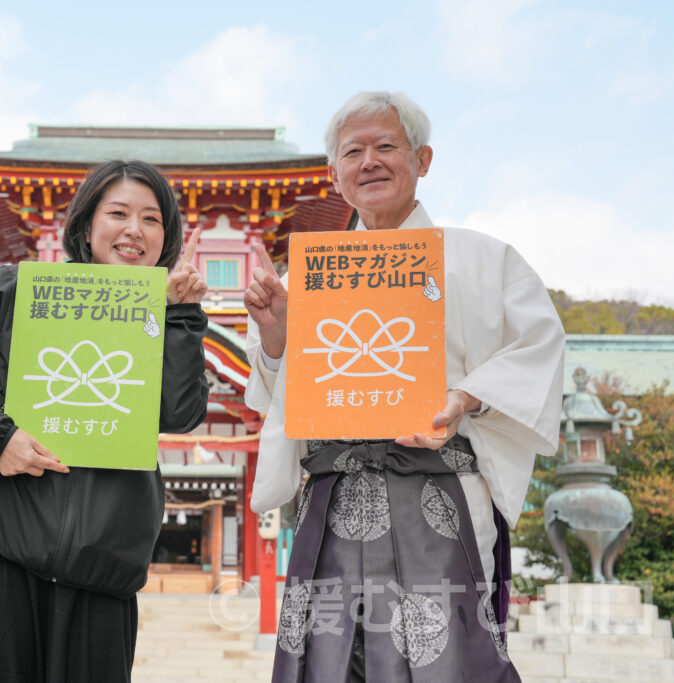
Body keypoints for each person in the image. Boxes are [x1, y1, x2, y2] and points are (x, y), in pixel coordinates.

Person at [244, 92, 565, 681]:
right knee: (330, 661)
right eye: (353, 152)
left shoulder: (484, 259)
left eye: (386, 146)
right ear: (333, 174)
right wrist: (275, 337)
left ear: (423, 159)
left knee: (449, 656)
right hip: (333, 495)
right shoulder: (304, 278)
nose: (369, 162)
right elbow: (273, 395)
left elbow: (538, 346)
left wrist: (464, 398)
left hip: (438, 485)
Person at [0, 160, 210, 683]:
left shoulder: (165, 318)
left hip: (101, 572)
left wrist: (181, 315)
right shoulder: (15, 289)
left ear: (166, 238)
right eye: (118, 213)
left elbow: (180, 413)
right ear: (85, 226)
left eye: (152, 219)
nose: (134, 229)